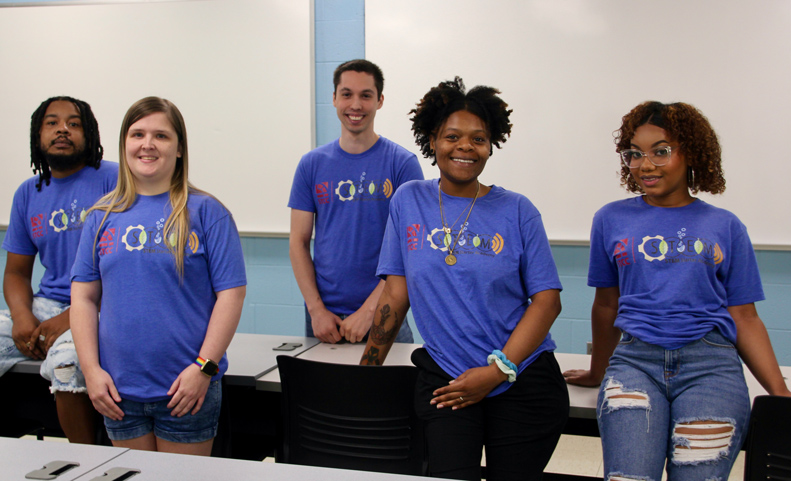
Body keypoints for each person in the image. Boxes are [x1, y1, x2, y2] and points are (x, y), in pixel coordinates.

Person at [563, 101, 791, 480]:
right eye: (634, 154)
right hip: (635, 362)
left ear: (691, 154)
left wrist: (780, 395)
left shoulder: (725, 225)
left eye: (661, 151)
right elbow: (606, 305)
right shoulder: (610, 218)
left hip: (711, 366)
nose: (645, 165)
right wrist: (598, 371)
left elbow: (744, 316)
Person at [360, 77, 569, 481]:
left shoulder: (518, 210)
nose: (465, 147)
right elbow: (396, 293)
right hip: (447, 378)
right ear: (432, 140)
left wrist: (497, 371)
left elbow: (548, 301)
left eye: (478, 139)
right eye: (452, 136)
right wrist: (367, 371)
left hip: (521, 377)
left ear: (491, 145)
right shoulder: (408, 200)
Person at [70, 97, 246, 456]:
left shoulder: (208, 214)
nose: (147, 144)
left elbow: (232, 296)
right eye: (137, 134)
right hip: (118, 392)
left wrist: (204, 368)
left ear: (179, 148)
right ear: (124, 145)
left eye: (161, 136)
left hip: (187, 389)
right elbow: (84, 298)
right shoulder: (100, 217)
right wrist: (90, 371)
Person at [0, 96, 117, 443]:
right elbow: (17, 273)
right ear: (38, 136)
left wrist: (69, 320)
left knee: (65, 367)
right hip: (47, 304)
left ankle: (87, 463)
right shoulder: (28, 192)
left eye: (74, 123)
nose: (62, 129)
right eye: (51, 123)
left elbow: (128, 268)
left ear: (90, 135)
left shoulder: (115, 180)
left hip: (104, 304)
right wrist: (22, 316)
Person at [288, 59, 424, 344]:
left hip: (386, 312)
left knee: (388, 390)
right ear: (334, 98)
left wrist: (370, 310)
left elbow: (411, 251)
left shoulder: (403, 165)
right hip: (325, 320)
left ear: (380, 101)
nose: (356, 105)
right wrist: (317, 310)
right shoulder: (311, 164)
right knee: (322, 390)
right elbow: (298, 242)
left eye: (366, 95)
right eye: (347, 94)